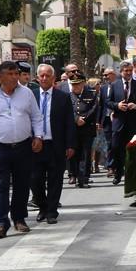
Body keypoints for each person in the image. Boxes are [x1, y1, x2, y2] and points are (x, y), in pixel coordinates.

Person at [0, 60, 44, 239]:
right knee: (0, 186)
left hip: (23, 146)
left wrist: (38, 136)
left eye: (16, 74)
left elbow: (36, 117)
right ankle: (0, 222)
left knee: (22, 184)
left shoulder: (27, 93)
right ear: (0, 76)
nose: (15, 77)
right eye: (11, 74)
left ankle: (19, 218)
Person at [30, 64, 75, 224]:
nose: (44, 78)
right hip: (36, 145)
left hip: (56, 145)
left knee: (56, 180)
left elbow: (69, 122)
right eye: (41, 75)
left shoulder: (62, 97)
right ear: (37, 78)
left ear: (53, 78)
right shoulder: (31, 96)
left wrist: (70, 145)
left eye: (47, 75)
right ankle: (42, 207)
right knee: (35, 180)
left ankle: (51, 211)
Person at [107, 61, 136, 185]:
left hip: (134, 123)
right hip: (118, 122)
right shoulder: (114, 85)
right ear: (121, 72)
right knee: (116, 148)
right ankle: (118, 173)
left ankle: (133, 176)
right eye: (126, 71)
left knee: (133, 150)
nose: (129, 73)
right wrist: (117, 105)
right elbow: (108, 102)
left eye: (130, 70)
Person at [69, 72, 99, 188]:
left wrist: (84, 119)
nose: (75, 87)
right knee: (74, 153)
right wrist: (76, 119)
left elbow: (94, 108)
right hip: (73, 129)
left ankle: (84, 178)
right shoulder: (68, 96)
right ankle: (75, 175)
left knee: (86, 153)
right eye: (73, 84)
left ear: (83, 84)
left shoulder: (91, 94)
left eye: (77, 84)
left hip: (87, 128)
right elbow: (67, 110)